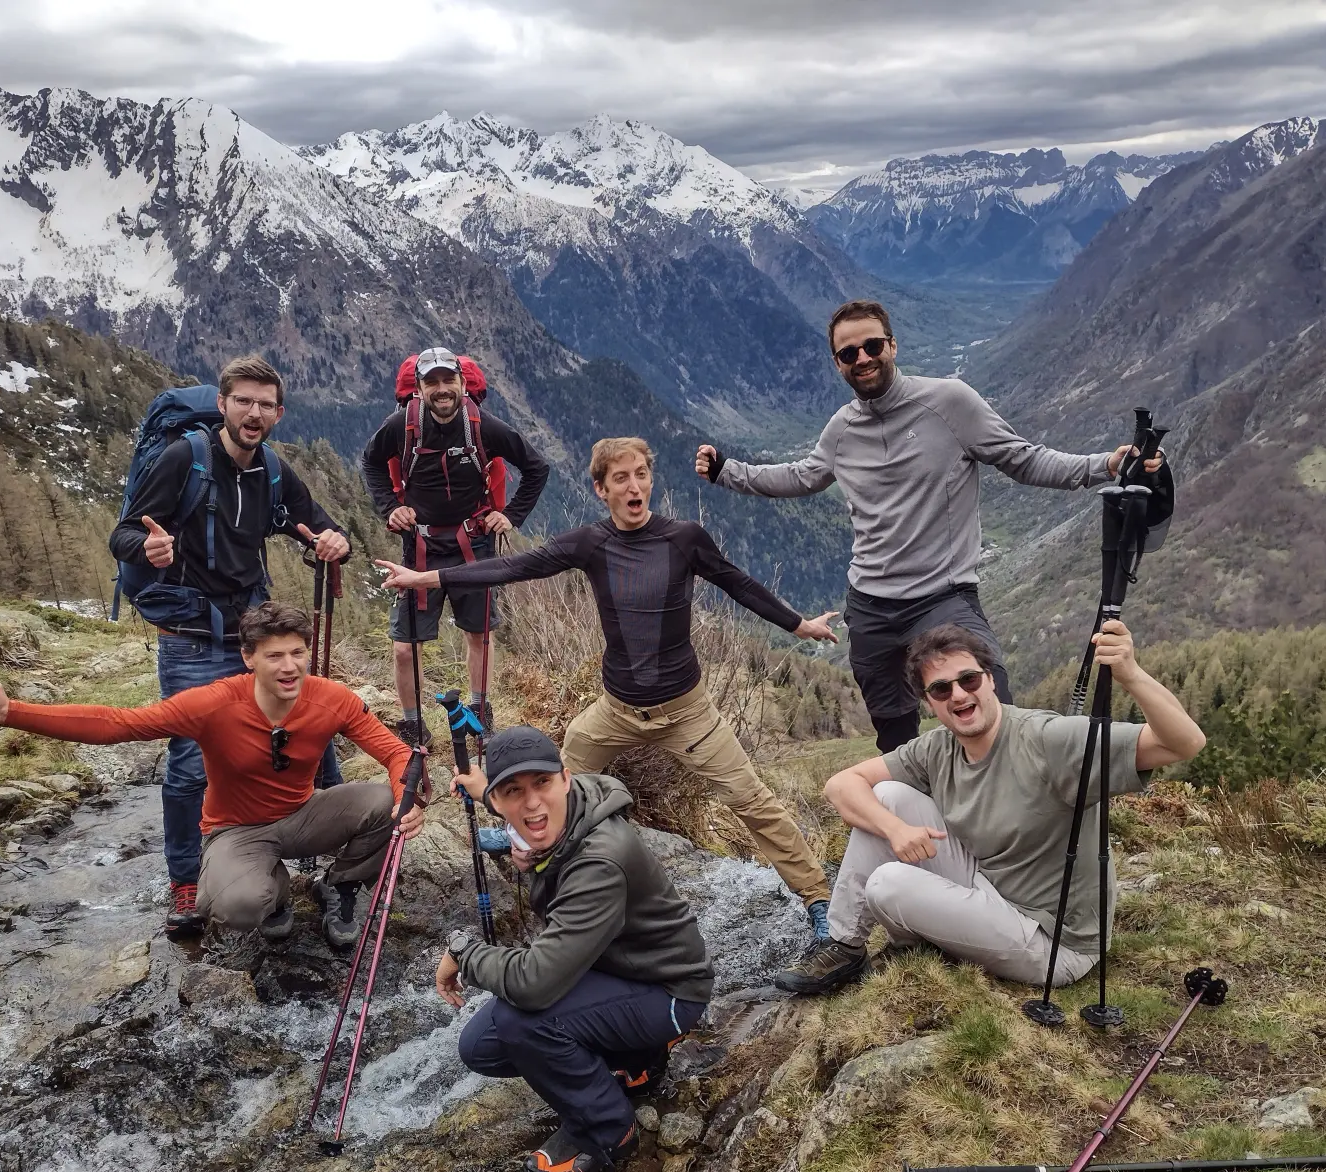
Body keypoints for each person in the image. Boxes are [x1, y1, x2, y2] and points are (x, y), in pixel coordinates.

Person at [376, 437, 842, 959]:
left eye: (641, 474)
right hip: (616, 711)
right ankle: (523, 838)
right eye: (621, 478)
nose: (634, 486)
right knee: (558, 774)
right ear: (602, 490)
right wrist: (426, 577)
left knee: (751, 801)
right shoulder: (592, 544)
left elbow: (739, 584)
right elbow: (515, 567)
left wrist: (798, 625)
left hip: (687, 713)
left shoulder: (684, 539)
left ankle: (819, 900)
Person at [695, 299, 1160, 753]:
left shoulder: (949, 402)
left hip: (942, 597)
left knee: (992, 704)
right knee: (895, 738)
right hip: (870, 608)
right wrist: (726, 471)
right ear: (837, 364)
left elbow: (1023, 459)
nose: (863, 359)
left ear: (892, 346)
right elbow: (801, 476)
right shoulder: (841, 429)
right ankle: (923, 804)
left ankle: (1008, 799)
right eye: (849, 353)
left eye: (872, 346)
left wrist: (1105, 465)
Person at [0, 602, 422, 950]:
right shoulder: (213, 703)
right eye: (274, 656)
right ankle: (275, 893)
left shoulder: (331, 698)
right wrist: (11, 712)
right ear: (249, 658)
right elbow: (119, 724)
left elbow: (395, 753)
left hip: (304, 814)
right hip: (236, 831)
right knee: (238, 908)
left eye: (297, 653)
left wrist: (410, 794)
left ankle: (340, 886)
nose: (289, 666)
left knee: (385, 801)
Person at [774, 619, 1204, 995]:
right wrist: (895, 829)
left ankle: (918, 936)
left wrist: (1131, 674)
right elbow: (841, 785)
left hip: (1054, 942)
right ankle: (845, 945)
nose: (959, 695)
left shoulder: (1048, 740)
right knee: (887, 797)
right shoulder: (939, 747)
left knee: (887, 883)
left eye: (969, 679)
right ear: (929, 702)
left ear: (991, 679)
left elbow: (1183, 743)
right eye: (941, 688)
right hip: (989, 887)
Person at [110, 354, 353, 937]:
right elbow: (123, 534)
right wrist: (148, 549)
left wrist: (333, 541)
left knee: (312, 738)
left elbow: (319, 522)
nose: (254, 413)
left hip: (251, 634)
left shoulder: (271, 470)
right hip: (191, 636)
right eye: (243, 401)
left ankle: (329, 869)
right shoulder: (184, 459)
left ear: (279, 413)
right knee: (192, 761)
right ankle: (186, 880)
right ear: (222, 404)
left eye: (265, 404)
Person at [437, 725, 713, 1172]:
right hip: (619, 969)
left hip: (669, 991)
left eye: (542, 783)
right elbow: (525, 806)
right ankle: (638, 1059)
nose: (532, 804)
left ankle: (607, 1129)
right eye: (512, 791)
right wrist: (486, 793)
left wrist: (464, 953)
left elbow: (534, 984)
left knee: (521, 1021)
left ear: (565, 777)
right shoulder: (570, 808)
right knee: (482, 1046)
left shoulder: (600, 860)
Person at [361, 347, 550, 740]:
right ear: (419, 388)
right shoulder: (401, 425)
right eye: (432, 382)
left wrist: (511, 516)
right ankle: (413, 725)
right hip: (420, 545)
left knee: (478, 634)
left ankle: (479, 712)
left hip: (473, 543)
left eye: (449, 380)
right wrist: (390, 508)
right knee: (404, 646)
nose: (442, 389)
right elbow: (371, 462)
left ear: (462, 383)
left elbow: (536, 467)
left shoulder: (483, 426)